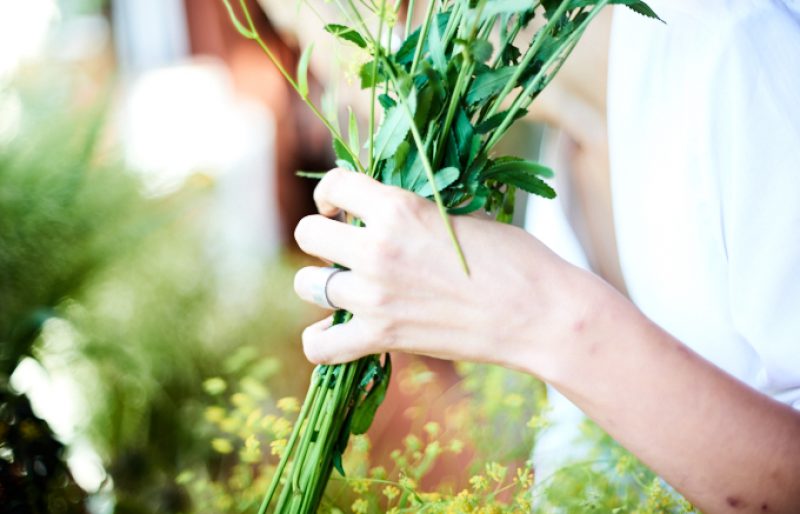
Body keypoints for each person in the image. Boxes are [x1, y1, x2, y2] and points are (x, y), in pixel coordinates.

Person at [290, 2, 800, 513]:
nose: (323, 81)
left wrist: (540, 314)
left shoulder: (741, 49)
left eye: (305, 31)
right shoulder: (562, 150)